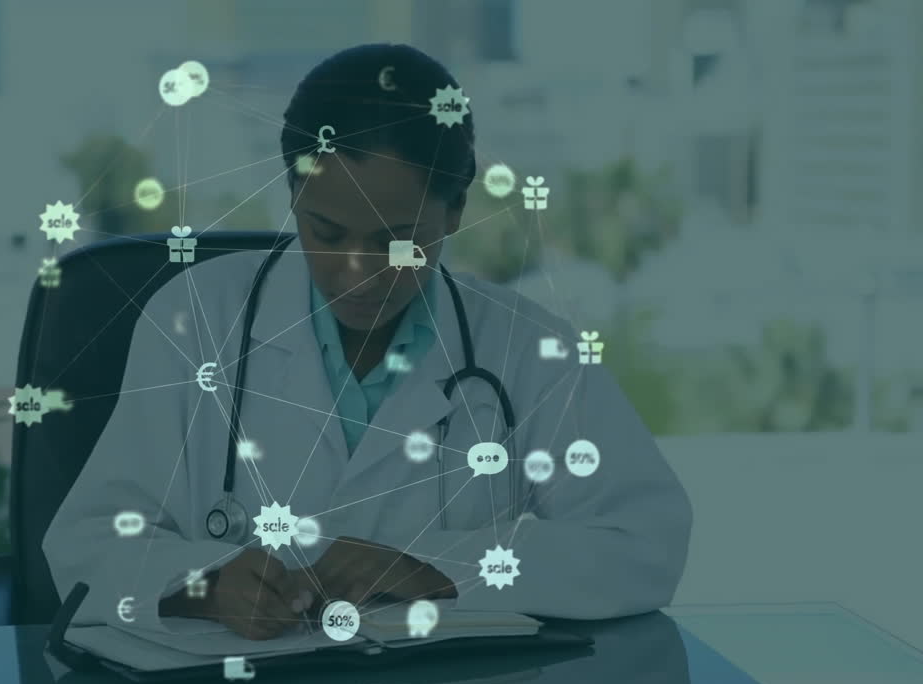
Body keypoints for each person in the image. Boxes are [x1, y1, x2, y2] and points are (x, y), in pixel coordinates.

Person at [43, 43, 692, 640]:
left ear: (456, 212)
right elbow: (84, 545)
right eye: (326, 231)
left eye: (397, 240)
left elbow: (644, 544)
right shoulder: (193, 320)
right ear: (293, 195)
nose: (358, 271)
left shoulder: (528, 348)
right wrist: (199, 582)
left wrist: (439, 567)